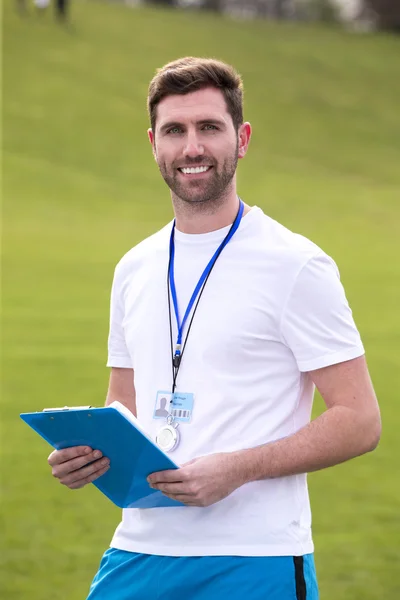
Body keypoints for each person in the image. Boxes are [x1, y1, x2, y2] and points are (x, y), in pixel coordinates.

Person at [47, 57, 381, 600]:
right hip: (141, 548)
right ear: (153, 143)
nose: (192, 148)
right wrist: (90, 452)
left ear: (242, 138)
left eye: (209, 127)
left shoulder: (296, 264)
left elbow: (360, 420)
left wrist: (238, 468)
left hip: (255, 557)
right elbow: (122, 403)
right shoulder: (133, 267)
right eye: (175, 130)